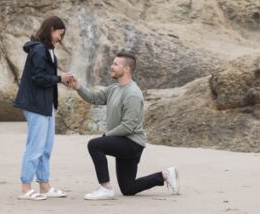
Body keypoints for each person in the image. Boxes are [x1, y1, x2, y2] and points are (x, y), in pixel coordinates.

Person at [64, 52, 180, 200]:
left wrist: (108, 135)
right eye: (113, 63)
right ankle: (165, 175)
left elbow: (128, 126)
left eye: (115, 64)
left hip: (132, 143)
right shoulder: (114, 88)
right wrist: (78, 87)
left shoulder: (132, 94)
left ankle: (105, 188)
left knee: (94, 145)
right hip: (122, 140)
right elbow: (94, 98)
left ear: (126, 69)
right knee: (128, 188)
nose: (111, 67)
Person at [12, 16, 74, 200]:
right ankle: (25, 187)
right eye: (59, 34)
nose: (60, 38)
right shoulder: (39, 49)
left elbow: (44, 76)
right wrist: (59, 78)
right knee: (35, 146)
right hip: (36, 104)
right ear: (51, 29)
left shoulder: (46, 49)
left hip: (46, 104)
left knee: (46, 147)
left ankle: (44, 186)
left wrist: (60, 78)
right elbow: (38, 78)